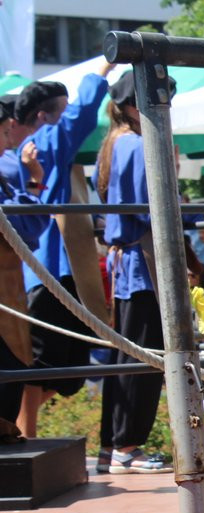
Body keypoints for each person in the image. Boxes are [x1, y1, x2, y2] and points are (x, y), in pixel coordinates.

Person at [15, 65, 114, 438]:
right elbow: (84, 112)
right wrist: (106, 67)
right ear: (44, 116)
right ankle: (23, 435)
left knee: (69, 371)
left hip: (60, 270)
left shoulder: (40, 148)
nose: (71, 115)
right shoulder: (46, 142)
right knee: (43, 365)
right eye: (63, 108)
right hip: (46, 271)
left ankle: (16, 428)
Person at [93, 71, 175, 474]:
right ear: (132, 105)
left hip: (125, 260)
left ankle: (113, 446)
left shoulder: (111, 145)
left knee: (125, 357)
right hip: (142, 260)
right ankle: (129, 446)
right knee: (145, 357)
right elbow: (152, 205)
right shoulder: (139, 146)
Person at [0, 97, 48, 432]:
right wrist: (34, 180)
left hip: (8, 285)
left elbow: (28, 232)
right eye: (3, 132)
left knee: (15, 361)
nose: (8, 141)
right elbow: (28, 227)